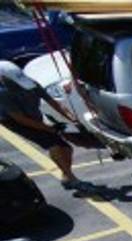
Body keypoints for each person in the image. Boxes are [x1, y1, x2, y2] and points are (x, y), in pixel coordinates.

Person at [0, 60, 85, 190]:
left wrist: (72, 119)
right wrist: (49, 128)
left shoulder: (31, 84)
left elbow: (53, 102)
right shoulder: (3, 94)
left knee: (67, 149)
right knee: (53, 145)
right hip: (16, 123)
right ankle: (71, 178)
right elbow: (20, 119)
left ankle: (66, 176)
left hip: (34, 116)